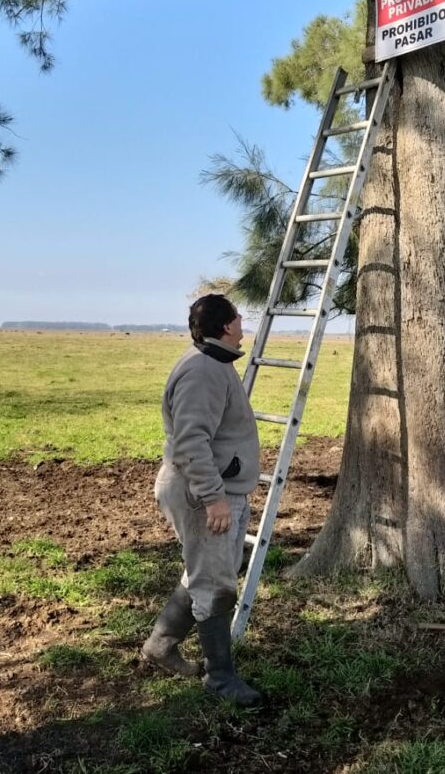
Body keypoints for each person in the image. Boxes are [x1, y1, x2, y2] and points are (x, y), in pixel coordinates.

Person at [141, 294, 261, 706]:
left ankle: (160, 646)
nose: (244, 321)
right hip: (202, 493)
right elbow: (192, 441)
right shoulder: (203, 371)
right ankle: (221, 680)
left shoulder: (215, 363)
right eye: (239, 317)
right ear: (227, 326)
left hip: (212, 489)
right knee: (215, 584)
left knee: (205, 574)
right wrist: (214, 499)